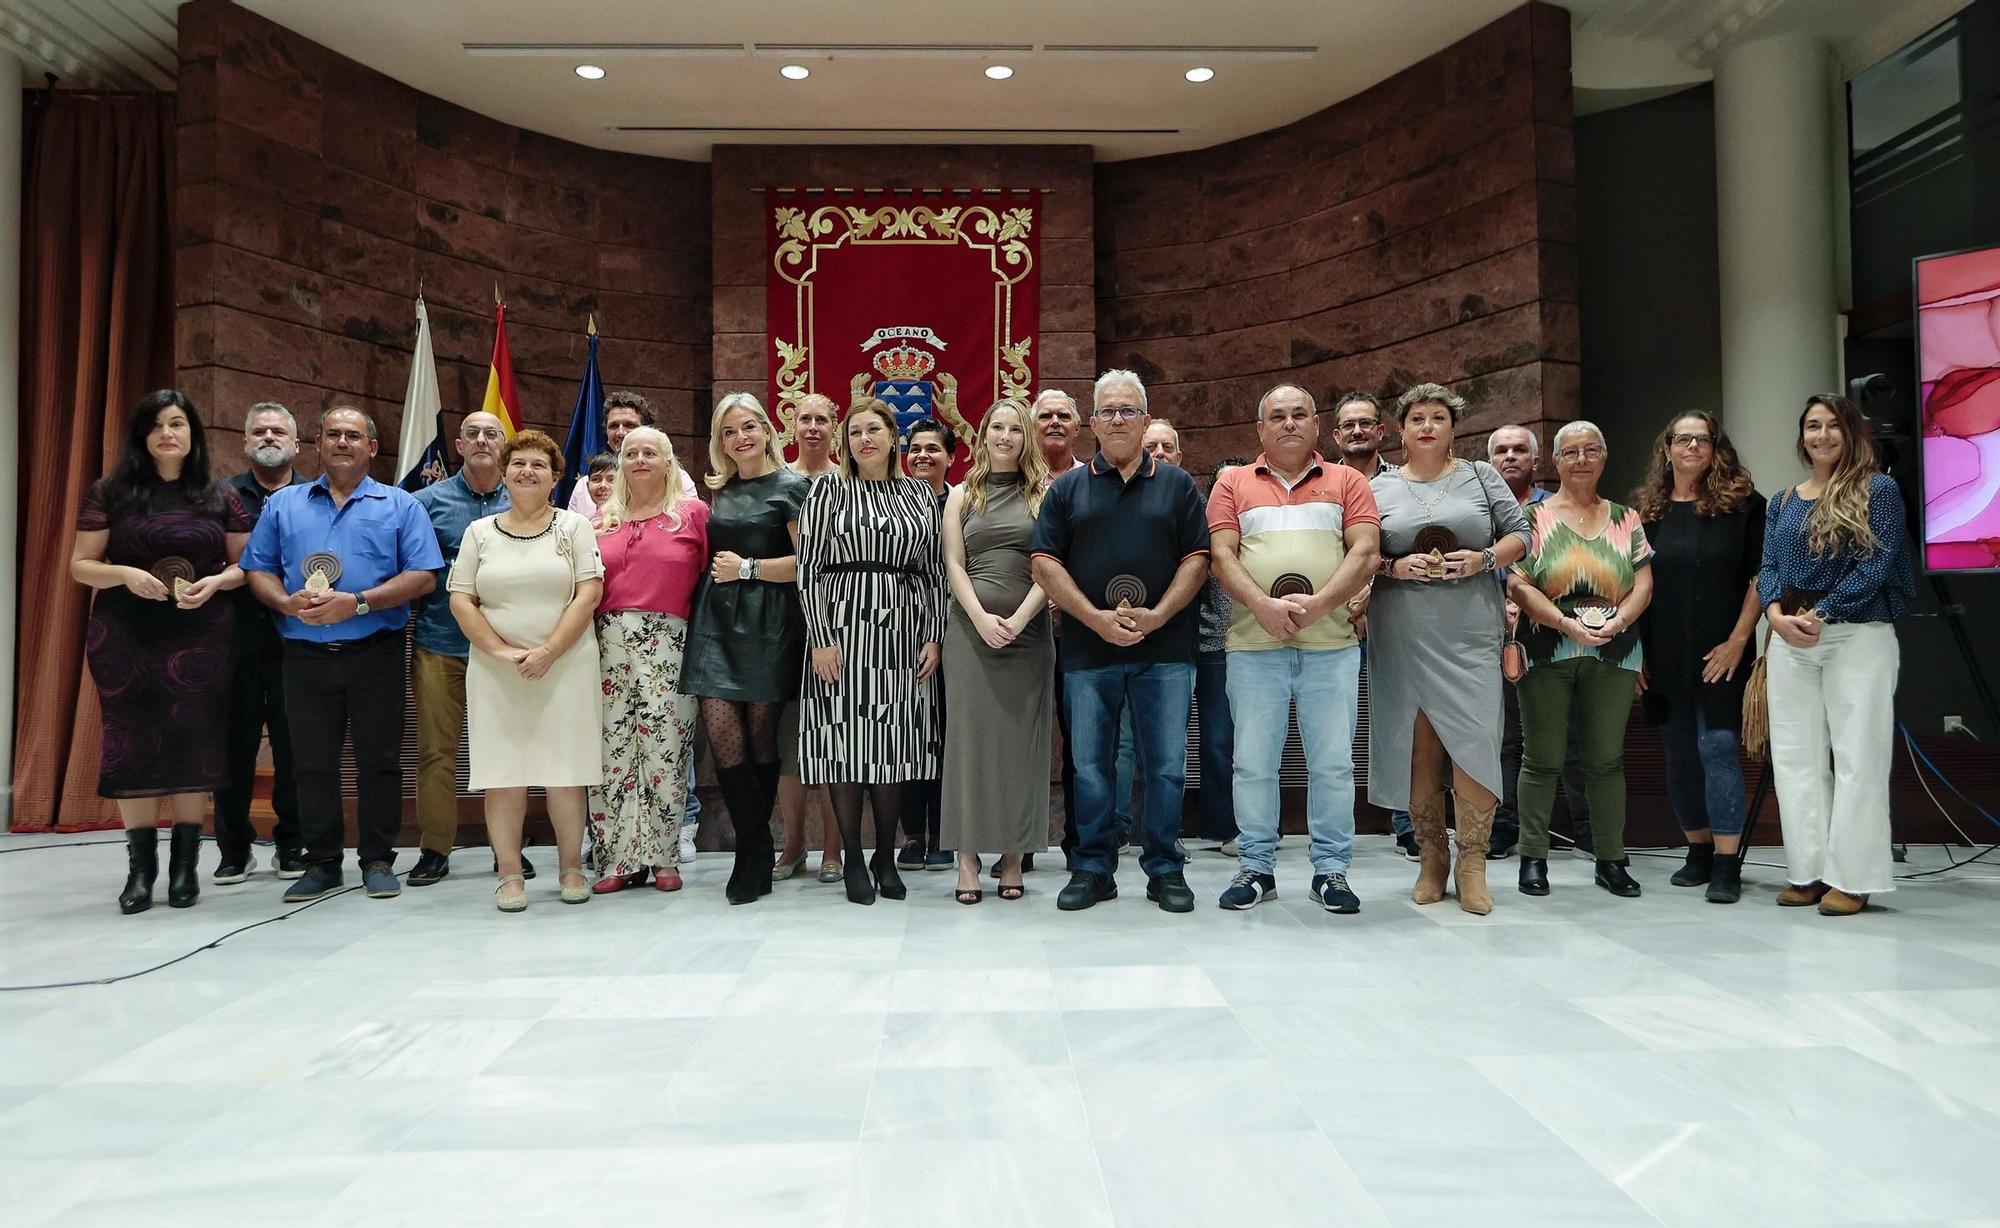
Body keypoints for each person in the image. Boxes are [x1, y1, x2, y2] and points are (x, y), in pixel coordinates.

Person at [240, 406, 444, 902]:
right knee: (310, 763)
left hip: (375, 651)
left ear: (372, 448)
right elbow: (257, 569)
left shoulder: (402, 506)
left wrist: (356, 603)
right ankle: (322, 861)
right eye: (333, 434)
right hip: (304, 655)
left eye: (354, 435)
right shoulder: (284, 506)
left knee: (378, 761)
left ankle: (377, 859)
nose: (343, 442)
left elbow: (423, 575)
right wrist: (285, 601)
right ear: (317, 444)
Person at [1032, 370, 1210, 913]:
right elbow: (1044, 562)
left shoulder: (1178, 486)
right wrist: (1093, 618)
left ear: (1146, 418)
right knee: (1090, 765)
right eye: (1107, 411)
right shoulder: (1067, 488)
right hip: (1089, 653)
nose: (1117, 419)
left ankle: (1163, 868)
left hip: (1165, 651)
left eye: (1128, 410)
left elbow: (1198, 559)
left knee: (1165, 765)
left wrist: (1156, 617)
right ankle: (1093, 868)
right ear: (1092, 422)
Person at [70, 390, 252, 913]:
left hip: (202, 635)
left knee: (194, 741)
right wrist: (124, 574)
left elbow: (246, 566)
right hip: (127, 634)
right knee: (134, 743)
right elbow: (80, 565)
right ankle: (140, 870)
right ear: (142, 436)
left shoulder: (220, 495)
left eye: (177, 423)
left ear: (193, 433)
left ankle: (184, 867)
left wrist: (219, 584)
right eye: (156, 425)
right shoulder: (112, 491)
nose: (167, 433)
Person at [1355, 383, 1530, 915]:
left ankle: (1472, 862)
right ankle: (1432, 857)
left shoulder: (1481, 476)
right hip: (1402, 626)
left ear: (1454, 427)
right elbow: (1358, 549)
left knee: (1475, 740)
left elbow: (1522, 532)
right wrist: (1391, 566)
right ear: (1401, 430)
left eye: (1438, 417)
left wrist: (1486, 559)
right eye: (1416, 419)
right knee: (1420, 743)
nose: (1427, 426)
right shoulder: (1377, 488)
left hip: (1470, 627)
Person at [1208, 386, 1380, 912]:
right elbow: (1220, 555)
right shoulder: (1232, 483)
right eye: (1276, 416)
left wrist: (1323, 604)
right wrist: (1262, 605)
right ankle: (1256, 867)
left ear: (1316, 426)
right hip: (1253, 644)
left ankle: (1331, 871)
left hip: (1331, 646)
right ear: (1260, 429)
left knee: (1332, 764)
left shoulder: (1347, 480)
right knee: (1253, 763)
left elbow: (1367, 551)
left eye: (1299, 414)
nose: (1288, 424)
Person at [1758, 394, 1913, 916]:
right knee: (1796, 761)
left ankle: (1854, 877)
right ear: (1801, 437)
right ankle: (1809, 872)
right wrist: (1775, 615)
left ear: (1850, 433)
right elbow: (1770, 567)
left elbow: (1878, 563)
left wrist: (1821, 614)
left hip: (1857, 636)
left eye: (1832, 426)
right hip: (1790, 639)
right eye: (1811, 426)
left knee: (1858, 760)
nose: (1821, 435)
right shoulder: (1782, 501)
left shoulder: (1879, 490)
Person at [796, 397, 946, 905]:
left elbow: (932, 574)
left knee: (893, 749)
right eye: (856, 431)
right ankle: (854, 857)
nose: (866, 438)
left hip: (901, 635)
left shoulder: (919, 496)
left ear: (892, 437)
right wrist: (818, 637)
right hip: (838, 632)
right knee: (843, 750)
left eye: (875, 429)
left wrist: (934, 635)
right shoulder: (825, 492)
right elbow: (807, 570)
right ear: (847, 441)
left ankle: (887, 853)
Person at [448, 430, 605, 910]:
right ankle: (510, 874)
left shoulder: (574, 527)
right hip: (498, 672)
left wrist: (550, 650)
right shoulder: (480, 532)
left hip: (566, 665)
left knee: (565, 771)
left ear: (556, 477)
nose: (527, 472)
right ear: (503, 471)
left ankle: (571, 867)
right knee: (504, 772)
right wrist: (500, 652)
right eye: (518, 464)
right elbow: (461, 598)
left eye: (539, 465)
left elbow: (589, 592)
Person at [1507, 421, 1655, 898]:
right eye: (1570, 452)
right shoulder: (1531, 518)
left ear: (1605, 457)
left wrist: (1619, 623)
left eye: (1592, 449)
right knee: (1541, 758)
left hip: (1615, 649)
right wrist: (1562, 623)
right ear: (1554, 461)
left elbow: (1643, 583)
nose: (1582, 459)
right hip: (1547, 646)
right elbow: (1517, 583)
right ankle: (1533, 858)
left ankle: (1611, 859)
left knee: (1606, 761)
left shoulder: (1626, 517)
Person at [1634, 412, 1765, 904]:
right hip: (1662, 648)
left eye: (1702, 439)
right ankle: (1699, 850)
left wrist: (1738, 640)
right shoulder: (1647, 511)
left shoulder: (1746, 507)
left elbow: (1760, 577)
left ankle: (1728, 862)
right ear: (1666, 449)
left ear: (1716, 448)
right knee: (1681, 754)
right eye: (1682, 439)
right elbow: (1634, 584)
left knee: (1717, 748)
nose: (1692, 447)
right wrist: (1635, 655)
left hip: (1721, 650)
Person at [684, 393, 809, 903]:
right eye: (731, 431)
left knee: (760, 742)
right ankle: (752, 847)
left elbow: (810, 563)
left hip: (770, 620)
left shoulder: (794, 486)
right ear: (721, 442)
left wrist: (750, 569)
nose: (742, 437)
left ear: (767, 430)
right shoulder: (716, 490)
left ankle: (755, 851)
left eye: (750, 426)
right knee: (722, 738)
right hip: (716, 620)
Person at [571, 400, 705, 869]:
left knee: (666, 749)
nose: (640, 460)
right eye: (631, 453)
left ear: (669, 463)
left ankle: (664, 859)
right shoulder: (598, 521)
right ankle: (614, 862)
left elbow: (710, 582)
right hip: (606, 643)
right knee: (611, 752)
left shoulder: (693, 514)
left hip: (671, 643)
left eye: (650, 452)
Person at [940, 401, 1053, 902]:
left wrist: (1021, 618)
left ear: (1026, 438)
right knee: (968, 745)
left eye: (1015, 429)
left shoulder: (1045, 495)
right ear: (982, 436)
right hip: (969, 635)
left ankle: (1011, 858)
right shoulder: (962, 495)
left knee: (1020, 747)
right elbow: (953, 564)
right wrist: (982, 620)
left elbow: (1054, 566)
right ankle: (966, 860)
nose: (1005, 436)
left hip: (1029, 636)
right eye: (997, 428)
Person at [406, 411, 512, 887]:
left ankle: (505, 850)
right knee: (436, 752)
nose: (483, 440)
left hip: (508, 650)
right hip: (441, 643)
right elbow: (415, 571)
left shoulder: (525, 498)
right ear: (458, 444)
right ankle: (434, 849)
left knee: (508, 750)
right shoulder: (426, 502)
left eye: (493, 433)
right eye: (474, 434)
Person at [1487, 424, 1594, 860]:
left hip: (1554, 635)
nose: (1510, 456)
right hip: (1493, 638)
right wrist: (1502, 603)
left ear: (1536, 461)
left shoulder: (1559, 508)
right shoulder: (1479, 512)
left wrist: (1532, 603)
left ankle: (1586, 829)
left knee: (1567, 737)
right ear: (1488, 461)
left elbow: (1579, 570)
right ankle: (1504, 826)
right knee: (1504, 738)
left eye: (1519, 450)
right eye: (1500, 450)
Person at [213, 401, 307, 883]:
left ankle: (292, 844)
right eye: (259, 431)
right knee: (234, 747)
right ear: (244, 442)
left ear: (296, 444)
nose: (269, 437)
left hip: (298, 641)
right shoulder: (219, 496)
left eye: (278, 432)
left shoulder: (317, 496)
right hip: (234, 640)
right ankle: (233, 848)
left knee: (296, 748)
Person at [1331, 390, 1419, 858]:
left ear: (1382, 431)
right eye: (1349, 425)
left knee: (1398, 720)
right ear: (1336, 434)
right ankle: (1336, 826)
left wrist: (1370, 593)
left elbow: (1408, 547)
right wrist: (1345, 599)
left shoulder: (1403, 484)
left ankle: (1407, 822)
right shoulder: (1322, 481)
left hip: (1393, 613)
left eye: (1367, 423)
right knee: (1335, 725)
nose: (1358, 431)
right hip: (1335, 619)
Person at [778, 391, 840, 882]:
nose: (813, 427)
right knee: (789, 741)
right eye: (806, 419)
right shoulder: (776, 480)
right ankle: (793, 843)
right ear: (791, 425)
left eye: (823, 419)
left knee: (839, 737)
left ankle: (834, 851)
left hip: (842, 623)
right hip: (785, 624)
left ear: (835, 426)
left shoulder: (847, 481)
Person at [897, 417, 958, 873]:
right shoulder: (893, 502)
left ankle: (945, 832)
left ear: (951, 457)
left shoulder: (961, 503)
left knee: (946, 733)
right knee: (905, 734)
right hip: (896, 633)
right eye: (915, 448)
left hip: (955, 632)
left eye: (933, 449)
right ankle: (913, 834)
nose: (922, 456)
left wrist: (938, 633)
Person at [1032, 387, 1088, 868]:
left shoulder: (1093, 480)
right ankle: (1020, 841)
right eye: (1045, 415)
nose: (1053, 422)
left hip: (1078, 630)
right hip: (1022, 629)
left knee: (1080, 741)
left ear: (1077, 427)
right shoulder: (1015, 481)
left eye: (1062, 416)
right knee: (1024, 735)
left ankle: (1080, 841)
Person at [566, 391, 698, 519]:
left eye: (630, 425)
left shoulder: (677, 479)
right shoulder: (585, 485)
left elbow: (690, 526)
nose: (621, 432)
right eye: (613, 426)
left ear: (647, 430)